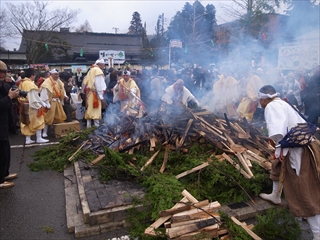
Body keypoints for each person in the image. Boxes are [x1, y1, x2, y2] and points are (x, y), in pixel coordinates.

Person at [258, 85, 320, 240]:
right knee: (277, 165)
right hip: (299, 145)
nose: (260, 103)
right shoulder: (282, 103)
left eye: (260, 100)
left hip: (299, 150)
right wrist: (279, 151)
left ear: (264, 98)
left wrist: (280, 150)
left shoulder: (272, 106)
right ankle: (276, 195)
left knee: (303, 187)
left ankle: (317, 233)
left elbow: (278, 132)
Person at [0, 60, 20, 189]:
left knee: (6, 150)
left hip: (4, 123)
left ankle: (4, 173)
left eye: (4, 72)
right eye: (0, 72)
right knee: (0, 152)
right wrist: (9, 97)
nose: (2, 74)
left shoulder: (3, 85)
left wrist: (14, 94)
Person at [18, 68, 49, 144]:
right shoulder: (30, 84)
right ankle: (38, 138)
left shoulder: (22, 83)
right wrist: (40, 104)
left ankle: (28, 139)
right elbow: (34, 97)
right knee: (39, 121)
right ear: (32, 75)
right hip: (32, 105)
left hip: (24, 104)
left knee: (26, 121)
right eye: (34, 75)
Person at [40, 69, 67, 137]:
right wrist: (46, 102)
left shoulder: (59, 81)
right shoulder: (47, 82)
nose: (57, 75)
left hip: (57, 101)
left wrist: (65, 96)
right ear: (51, 74)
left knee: (59, 116)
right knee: (48, 117)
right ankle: (44, 132)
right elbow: (44, 93)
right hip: (50, 101)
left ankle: (56, 130)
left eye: (58, 74)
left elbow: (62, 89)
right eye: (55, 74)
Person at [83, 58, 106, 128]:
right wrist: (100, 95)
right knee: (96, 111)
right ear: (100, 64)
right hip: (95, 94)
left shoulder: (91, 70)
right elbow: (99, 84)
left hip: (89, 93)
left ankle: (88, 127)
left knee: (90, 110)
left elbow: (85, 82)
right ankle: (96, 128)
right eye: (103, 64)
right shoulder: (97, 71)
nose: (104, 66)